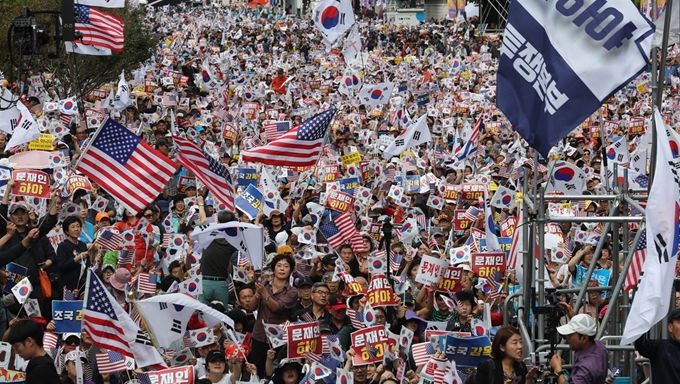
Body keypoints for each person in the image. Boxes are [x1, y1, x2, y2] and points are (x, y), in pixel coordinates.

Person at [247, 254, 298, 378]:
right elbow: (251, 307)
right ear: (273, 268)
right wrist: (256, 295)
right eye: (279, 266)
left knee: (275, 372)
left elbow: (276, 307)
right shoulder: (264, 284)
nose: (282, 269)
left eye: (286, 266)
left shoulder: (292, 292)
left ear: (290, 270)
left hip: (279, 338)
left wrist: (264, 294)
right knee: (256, 370)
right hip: (259, 334)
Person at [549, 314, 608, 384]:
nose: (567, 337)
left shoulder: (586, 368)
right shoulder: (599, 346)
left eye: (570, 334)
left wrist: (558, 370)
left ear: (584, 338)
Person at [199, 210, 238, 305]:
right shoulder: (233, 242)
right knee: (221, 317)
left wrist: (200, 203)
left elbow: (203, 219)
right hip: (221, 284)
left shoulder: (209, 235)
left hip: (205, 283)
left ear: (218, 222)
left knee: (202, 317)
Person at [633, 308, 680, 382]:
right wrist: (643, 320)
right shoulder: (660, 347)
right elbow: (641, 345)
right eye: (679, 322)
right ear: (670, 327)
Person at [6, 319, 60, 384]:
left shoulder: (41, 370)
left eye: (16, 346)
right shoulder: (38, 364)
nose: (16, 352)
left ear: (29, 341)